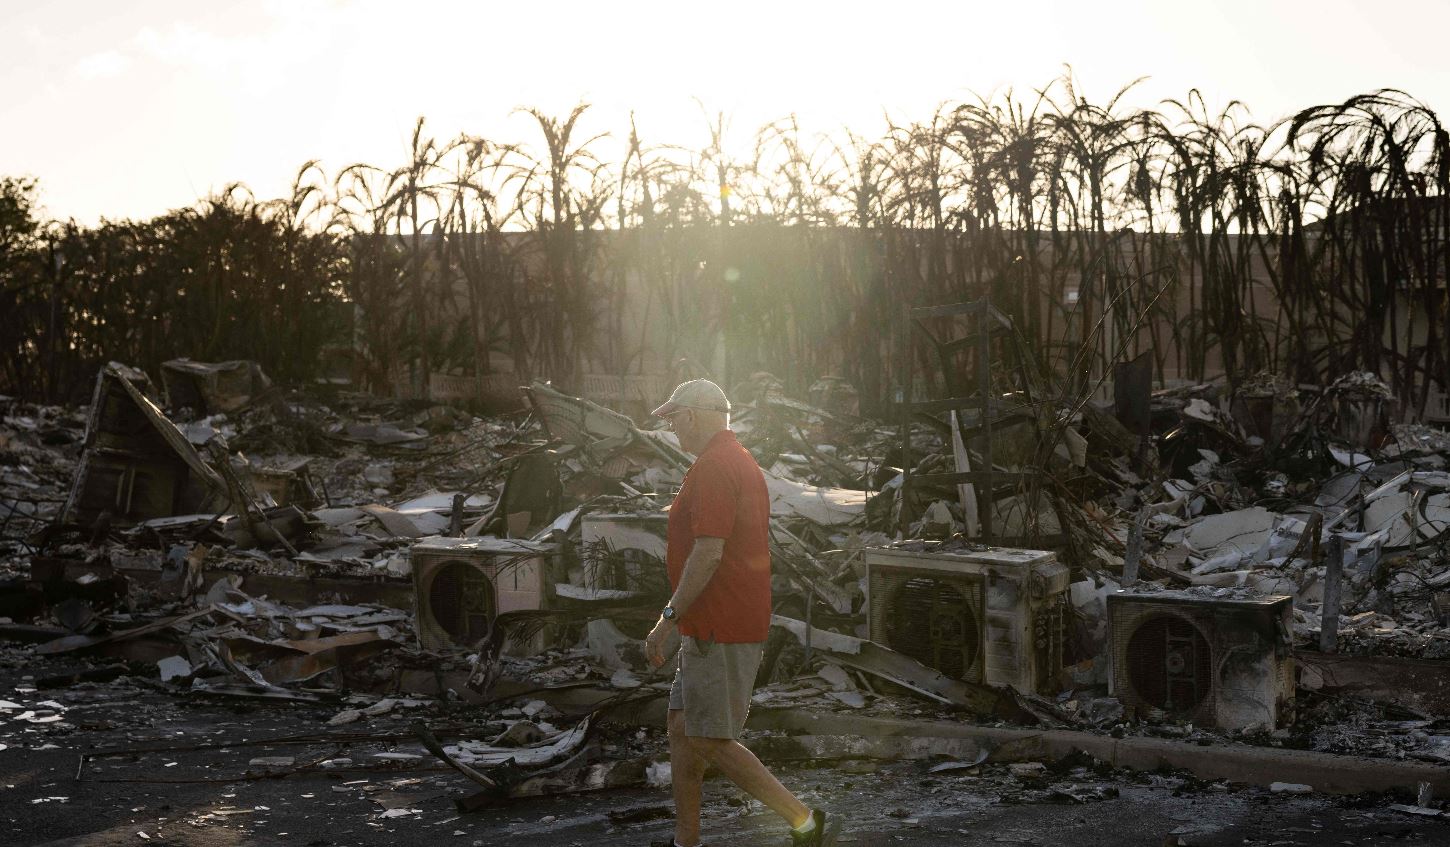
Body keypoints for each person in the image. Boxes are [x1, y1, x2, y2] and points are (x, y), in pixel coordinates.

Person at [644, 379, 835, 847]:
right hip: (712, 621)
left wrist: (666, 618)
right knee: (682, 726)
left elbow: (709, 552)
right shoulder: (731, 460)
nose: (670, 429)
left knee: (709, 738)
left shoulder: (715, 466)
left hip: (718, 625)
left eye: (672, 419)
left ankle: (805, 823)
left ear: (692, 415)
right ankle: (685, 841)